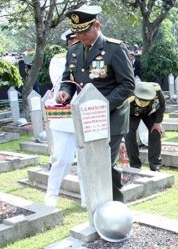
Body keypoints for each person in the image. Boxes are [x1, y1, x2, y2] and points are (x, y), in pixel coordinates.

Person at [57, 5, 135, 202]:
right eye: (77, 31)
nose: (81, 36)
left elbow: (127, 85)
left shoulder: (114, 48)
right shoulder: (73, 51)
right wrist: (64, 93)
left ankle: (115, 207)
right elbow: (69, 80)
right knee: (92, 163)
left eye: (85, 30)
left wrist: (101, 107)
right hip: (88, 118)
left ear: (97, 25)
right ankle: (100, 206)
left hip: (112, 115)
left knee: (105, 164)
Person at [44, 29, 83, 208]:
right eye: (73, 40)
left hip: (85, 116)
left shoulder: (94, 57)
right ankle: (51, 194)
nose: (77, 43)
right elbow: (61, 82)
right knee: (61, 159)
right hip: (64, 118)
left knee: (85, 161)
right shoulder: (59, 60)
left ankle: (87, 196)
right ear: (68, 43)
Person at [122, 79, 165, 171]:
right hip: (132, 114)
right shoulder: (128, 94)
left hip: (150, 112)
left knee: (156, 132)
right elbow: (120, 112)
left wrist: (157, 123)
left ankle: (155, 165)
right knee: (129, 136)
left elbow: (162, 105)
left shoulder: (156, 90)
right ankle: (135, 166)